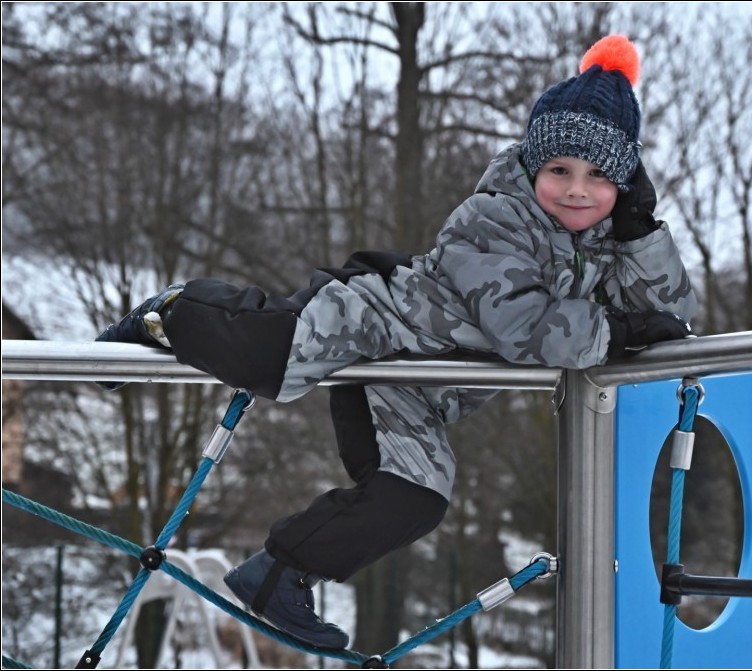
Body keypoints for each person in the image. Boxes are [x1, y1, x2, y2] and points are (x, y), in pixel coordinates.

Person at [96, 34, 697, 649]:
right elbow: (525, 328)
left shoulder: (610, 244)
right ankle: (172, 312)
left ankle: (279, 572)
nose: (576, 189)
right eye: (559, 170)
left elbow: (673, 320)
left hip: (412, 389)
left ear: (624, 185)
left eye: (599, 177)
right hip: (377, 322)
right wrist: (616, 330)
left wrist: (643, 234)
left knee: (414, 499)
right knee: (270, 360)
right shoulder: (494, 218)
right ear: (531, 167)